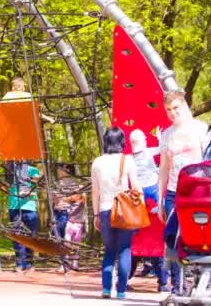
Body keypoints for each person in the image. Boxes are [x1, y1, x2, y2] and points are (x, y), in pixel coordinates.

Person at [157, 90, 209, 295]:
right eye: (168, 110)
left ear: (185, 106)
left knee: (197, 237)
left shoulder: (201, 129)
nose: (172, 113)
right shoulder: (167, 134)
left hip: (197, 191)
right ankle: (177, 284)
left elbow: (210, 160)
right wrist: (160, 200)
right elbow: (163, 168)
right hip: (173, 192)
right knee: (173, 237)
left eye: (176, 108)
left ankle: (199, 281)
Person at [91, 127, 143, 300]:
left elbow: (95, 192)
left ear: (106, 142)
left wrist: (95, 215)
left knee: (109, 251)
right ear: (121, 142)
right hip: (124, 211)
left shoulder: (97, 162)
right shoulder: (127, 160)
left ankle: (106, 289)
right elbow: (135, 186)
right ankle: (121, 291)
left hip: (105, 210)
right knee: (124, 250)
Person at [128, 129, 169, 292]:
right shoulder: (147, 152)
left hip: (138, 194)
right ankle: (163, 282)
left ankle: (123, 279)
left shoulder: (129, 159)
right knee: (155, 243)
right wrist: (159, 137)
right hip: (151, 190)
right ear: (143, 141)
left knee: (135, 244)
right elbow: (161, 149)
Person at [7, 161, 40, 272]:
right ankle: (20, 264)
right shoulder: (9, 169)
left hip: (29, 207)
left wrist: (27, 192)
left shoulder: (32, 169)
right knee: (17, 236)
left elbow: (37, 182)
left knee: (31, 236)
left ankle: (30, 263)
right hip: (14, 207)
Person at [54, 164, 86, 270]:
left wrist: (65, 199)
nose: (58, 172)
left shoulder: (77, 184)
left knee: (74, 242)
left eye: (60, 170)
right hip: (63, 215)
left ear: (67, 170)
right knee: (63, 240)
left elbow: (81, 197)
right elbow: (55, 200)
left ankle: (73, 263)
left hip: (74, 218)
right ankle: (65, 263)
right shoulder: (57, 184)